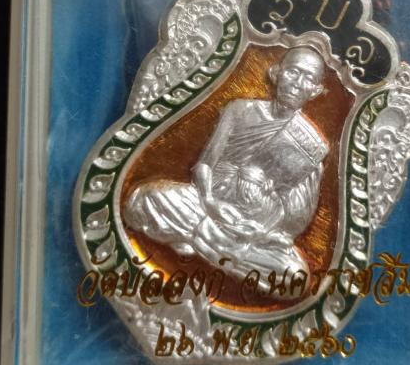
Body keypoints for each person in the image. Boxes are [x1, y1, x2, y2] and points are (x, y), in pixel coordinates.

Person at [123, 46, 329, 282]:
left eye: (308, 78)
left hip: (251, 229)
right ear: (276, 73)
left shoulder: (310, 149)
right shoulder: (239, 110)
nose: (297, 83)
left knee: (294, 277)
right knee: (142, 199)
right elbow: (204, 165)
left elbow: (294, 222)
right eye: (293, 72)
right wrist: (210, 202)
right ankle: (218, 251)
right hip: (205, 203)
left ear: (315, 91)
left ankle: (199, 242)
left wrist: (266, 210)